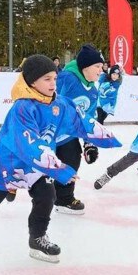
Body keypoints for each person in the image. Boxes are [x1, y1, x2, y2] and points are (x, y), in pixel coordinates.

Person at [0, 55, 121, 263]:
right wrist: (59, 169)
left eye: (54, 78)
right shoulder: (23, 108)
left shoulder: (59, 103)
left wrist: (105, 137)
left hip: (40, 160)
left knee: (47, 196)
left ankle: (37, 238)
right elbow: (29, 144)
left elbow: (81, 120)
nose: (53, 84)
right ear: (32, 81)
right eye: (47, 79)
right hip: (12, 161)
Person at [54, 44, 104, 214]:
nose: (100, 70)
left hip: (67, 134)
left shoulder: (93, 91)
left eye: (101, 67)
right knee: (32, 163)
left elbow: (88, 119)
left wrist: (89, 144)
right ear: (85, 67)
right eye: (97, 66)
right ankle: (5, 184)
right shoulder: (67, 79)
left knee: (72, 158)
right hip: (48, 130)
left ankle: (64, 199)